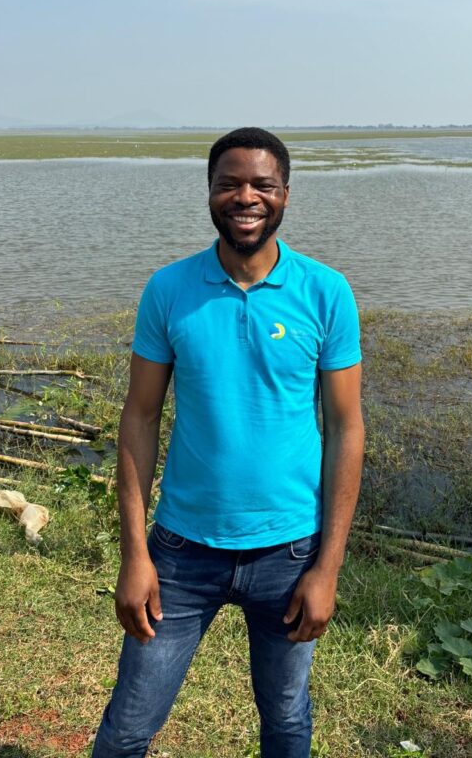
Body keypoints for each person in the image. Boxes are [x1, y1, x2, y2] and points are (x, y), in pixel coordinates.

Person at [92, 127, 364, 758]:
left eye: (263, 185)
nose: (246, 197)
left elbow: (346, 428)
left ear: (285, 194)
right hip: (181, 552)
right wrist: (135, 554)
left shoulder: (326, 292)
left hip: (290, 551)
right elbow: (139, 418)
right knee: (128, 727)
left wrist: (327, 568)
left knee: (287, 721)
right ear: (210, 192)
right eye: (229, 184)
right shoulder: (169, 290)